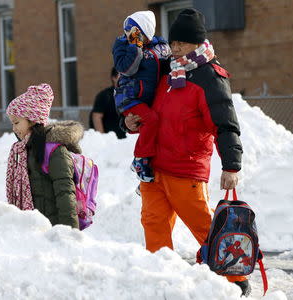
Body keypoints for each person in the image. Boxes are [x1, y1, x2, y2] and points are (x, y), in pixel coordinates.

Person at [124, 9, 250, 297]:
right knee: (153, 222)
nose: (175, 47)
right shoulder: (168, 73)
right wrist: (130, 121)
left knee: (204, 226)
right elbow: (151, 111)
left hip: (186, 168)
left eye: (181, 43)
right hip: (153, 166)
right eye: (174, 42)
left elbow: (225, 124)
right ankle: (160, 276)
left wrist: (231, 166)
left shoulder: (210, 77)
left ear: (196, 42)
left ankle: (234, 280)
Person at [5, 83, 82, 229]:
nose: (14, 129)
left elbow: (65, 194)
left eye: (17, 122)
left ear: (32, 120)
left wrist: (70, 232)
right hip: (33, 229)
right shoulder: (22, 151)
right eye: (12, 124)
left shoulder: (54, 151)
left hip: (53, 230)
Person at [112, 10, 171, 182]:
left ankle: (147, 162)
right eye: (128, 31)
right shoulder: (122, 46)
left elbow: (171, 66)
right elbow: (128, 69)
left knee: (151, 123)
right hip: (129, 97)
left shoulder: (161, 47)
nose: (129, 35)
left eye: (135, 32)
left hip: (149, 99)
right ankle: (140, 159)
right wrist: (134, 46)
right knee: (151, 120)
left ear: (146, 32)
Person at [90, 67, 126, 139]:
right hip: (111, 142)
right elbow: (96, 117)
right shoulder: (104, 96)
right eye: (122, 76)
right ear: (114, 78)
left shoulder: (131, 95)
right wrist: (103, 139)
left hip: (129, 141)